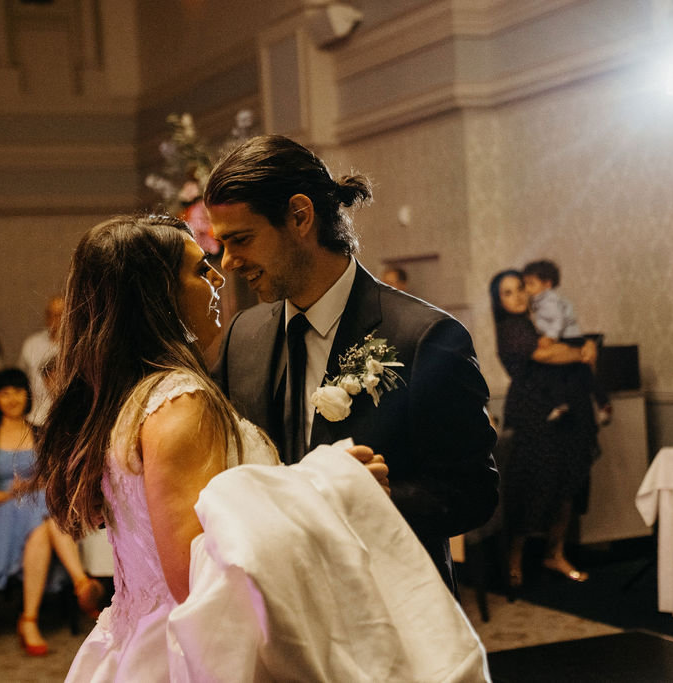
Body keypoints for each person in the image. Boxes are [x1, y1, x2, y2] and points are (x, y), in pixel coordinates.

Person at [31, 215, 489, 681]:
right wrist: (326, 491)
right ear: (156, 295)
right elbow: (198, 574)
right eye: (198, 269)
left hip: (140, 640)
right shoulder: (181, 402)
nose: (218, 275)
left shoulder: (129, 397)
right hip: (194, 650)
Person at [204, 134, 499, 594]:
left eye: (240, 239)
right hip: (273, 606)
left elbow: (473, 495)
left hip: (388, 607)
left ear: (300, 217)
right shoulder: (243, 335)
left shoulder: (423, 338)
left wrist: (377, 498)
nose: (228, 261)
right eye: (222, 243)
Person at [0, 368, 103, 657]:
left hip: (39, 510)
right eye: (4, 392)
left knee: (40, 522)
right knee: (42, 511)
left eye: (18, 391)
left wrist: (36, 484)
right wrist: (12, 492)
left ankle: (29, 620)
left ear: (28, 395)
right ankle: (80, 581)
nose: (12, 399)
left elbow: (55, 480)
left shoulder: (41, 433)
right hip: (0, 514)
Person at [489, 269, 599, 590]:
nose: (518, 296)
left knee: (566, 483)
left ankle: (556, 553)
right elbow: (545, 353)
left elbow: (570, 340)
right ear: (498, 300)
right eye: (507, 292)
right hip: (531, 413)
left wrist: (584, 345)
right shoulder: (510, 328)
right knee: (530, 486)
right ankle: (514, 560)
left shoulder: (543, 318)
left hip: (564, 408)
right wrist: (581, 352)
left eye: (520, 288)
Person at [522, 258, 612, 424]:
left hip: (567, 338)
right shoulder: (540, 301)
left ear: (547, 283)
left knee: (559, 372)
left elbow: (558, 320)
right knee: (582, 372)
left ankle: (562, 402)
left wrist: (551, 337)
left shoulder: (548, 300)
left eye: (531, 283)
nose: (526, 288)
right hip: (569, 337)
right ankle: (602, 402)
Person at [18, 295, 64, 427]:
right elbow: (22, 380)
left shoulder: (80, 346)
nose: (56, 320)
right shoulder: (31, 344)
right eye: (52, 315)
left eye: (60, 315)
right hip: (36, 418)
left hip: (68, 419)